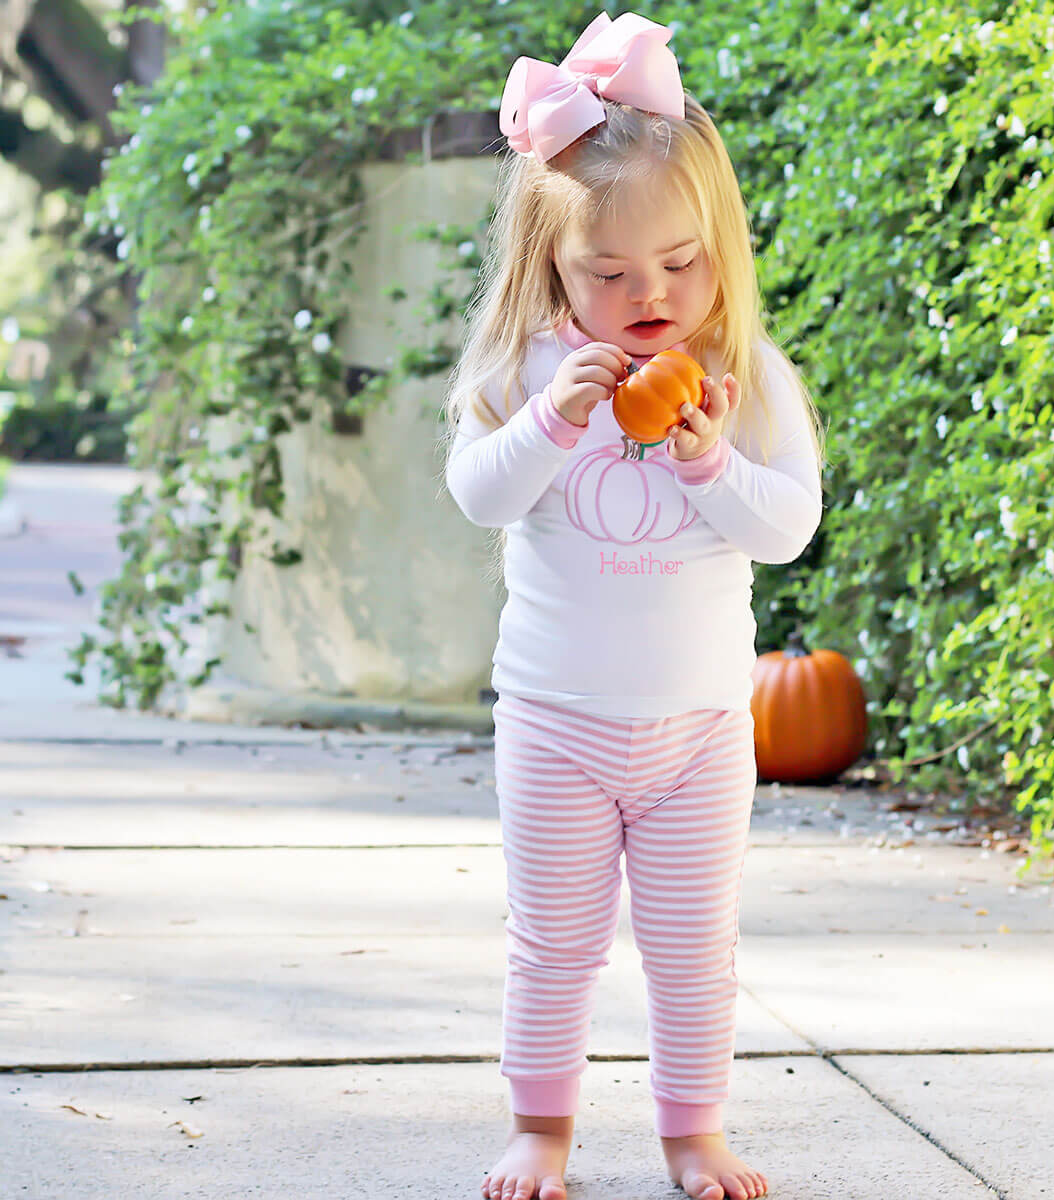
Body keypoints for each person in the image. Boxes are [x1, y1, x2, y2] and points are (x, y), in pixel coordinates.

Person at [439, 11, 825, 1200]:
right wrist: (554, 418)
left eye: (680, 263)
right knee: (552, 946)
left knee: (693, 950)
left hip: (700, 729)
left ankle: (691, 1133)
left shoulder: (749, 377)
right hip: (556, 719)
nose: (648, 293)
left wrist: (713, 461)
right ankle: (541, 1133)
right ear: (552, 269)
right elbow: (476, 497)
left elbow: (788, 526)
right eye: (608, 274)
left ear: (722, 247)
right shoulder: (524, 372)